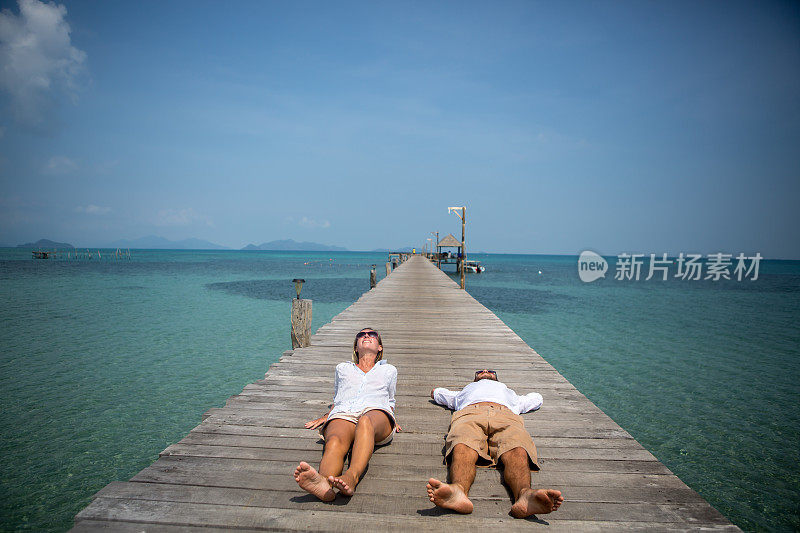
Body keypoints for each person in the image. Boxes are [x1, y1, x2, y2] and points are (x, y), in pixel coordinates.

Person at [426, 369, 564, 518]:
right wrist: (446, 393)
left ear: (497, 379)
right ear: (474, 379)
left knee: (517, 448)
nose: (485, 371)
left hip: (505, 413)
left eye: (490, 371)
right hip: (471, 412)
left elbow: (537, 398)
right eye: (480, 371)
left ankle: (525, 495)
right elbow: (436, 392)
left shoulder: (509, 392)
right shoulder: (463, 392)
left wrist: (517, 401)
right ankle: (458, 491)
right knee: (462, 443)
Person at [294, 328, 398, 501]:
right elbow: (339, 397)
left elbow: (390, 400)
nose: (366, 336)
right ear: (356, 348)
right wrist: (328, 416)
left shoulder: (389, 370)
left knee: (366, 421)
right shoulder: (342, 368)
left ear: (379, 347)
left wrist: (391, 419)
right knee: (334, 440)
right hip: (345, 412)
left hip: (376, 412)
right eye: (361, 335)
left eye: (372, 335)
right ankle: (324, 485)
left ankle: (352, 476)